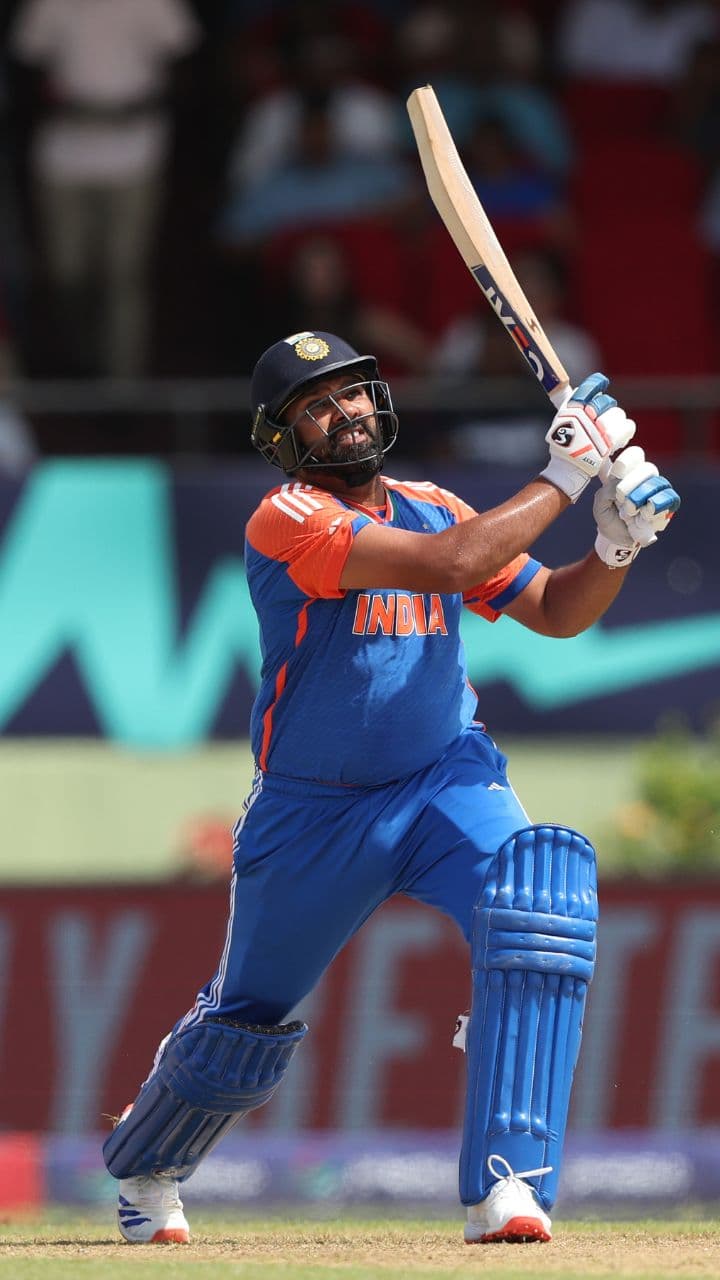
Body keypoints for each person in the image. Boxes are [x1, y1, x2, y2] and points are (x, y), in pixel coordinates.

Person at [103, 331, 680, 1246]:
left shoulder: (434, 504)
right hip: (312, 810)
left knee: (538, 907)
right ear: (282, 438)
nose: (344, 415)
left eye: (351, 393)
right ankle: (149, 1163)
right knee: (247, 1018)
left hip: (445, 778)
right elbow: (451, 566)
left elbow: (555, 612)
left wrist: (615, 545)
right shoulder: (286, 518)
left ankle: (509, 1184)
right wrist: (569, 475)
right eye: (316, 407)